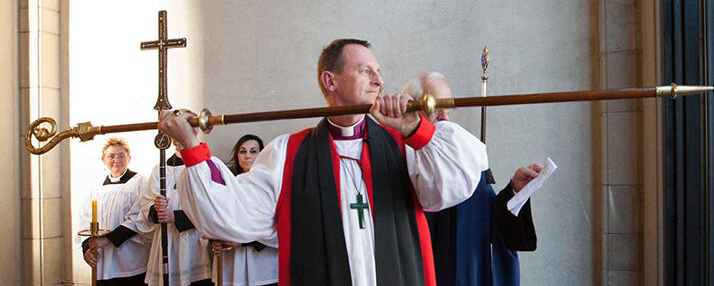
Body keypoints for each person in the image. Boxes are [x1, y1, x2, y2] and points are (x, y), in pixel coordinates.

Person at [159, 38, 488, 286]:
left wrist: (415, 129)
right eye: (366, 71)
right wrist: (191, 145)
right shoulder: (288, 152)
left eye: (379, 73)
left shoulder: (402, 144)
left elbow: (454, 187)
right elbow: (230, 216)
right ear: (330, 81)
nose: (379, 81)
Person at [402, 72, 540, 286]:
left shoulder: (465, 153)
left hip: (468, 271)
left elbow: (490, 214)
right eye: (435, 109)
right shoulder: (395, 153)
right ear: (410, 108)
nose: (445, 118)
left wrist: (514, 191)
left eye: (448, 111)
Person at [138, 131, 213, 286]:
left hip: (194, 240)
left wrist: (176, 217)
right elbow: (146, 203)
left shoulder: (205, 164)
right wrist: (157, 209)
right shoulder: (161, 168)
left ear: (195, 131)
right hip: (166, 239)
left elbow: (211, 205)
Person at [79, 137, 150, 286]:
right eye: (111, 156)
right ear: (103, 160)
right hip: (102, 261)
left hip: (130, 261)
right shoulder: (96, 186)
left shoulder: (140, 182)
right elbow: (85, 219)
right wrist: (87, 248)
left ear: (129, 158)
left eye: (121, 155)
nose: (116, 160)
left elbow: (139, 217)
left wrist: (107, 240)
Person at [210, 134, 278, 286]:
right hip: (231, 260)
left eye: (253, 151)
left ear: (262, 155)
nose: (247, 156)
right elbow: (216, 216)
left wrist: (243, 242)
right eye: (242, 151)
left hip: (261, 261)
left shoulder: (271, 184)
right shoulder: (226, 184)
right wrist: (215, 240)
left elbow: (277, 224)